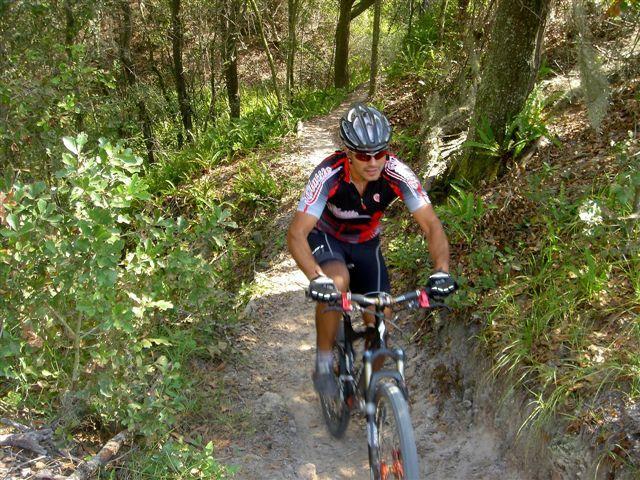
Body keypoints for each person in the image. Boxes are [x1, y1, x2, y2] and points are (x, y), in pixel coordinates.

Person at [286, 103, 457, 397]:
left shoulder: (396, 173)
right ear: (349, 153)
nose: (373, 161)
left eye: (380, 153)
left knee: (381, 313)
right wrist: (317, 278)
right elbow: (296, 233)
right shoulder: (328, 174)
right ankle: (324, 362)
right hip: (326, 236)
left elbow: (431, 225)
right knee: (336, 283)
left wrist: (441, 271)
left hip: (366, 242)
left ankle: (373, 389)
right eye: (364, 155)